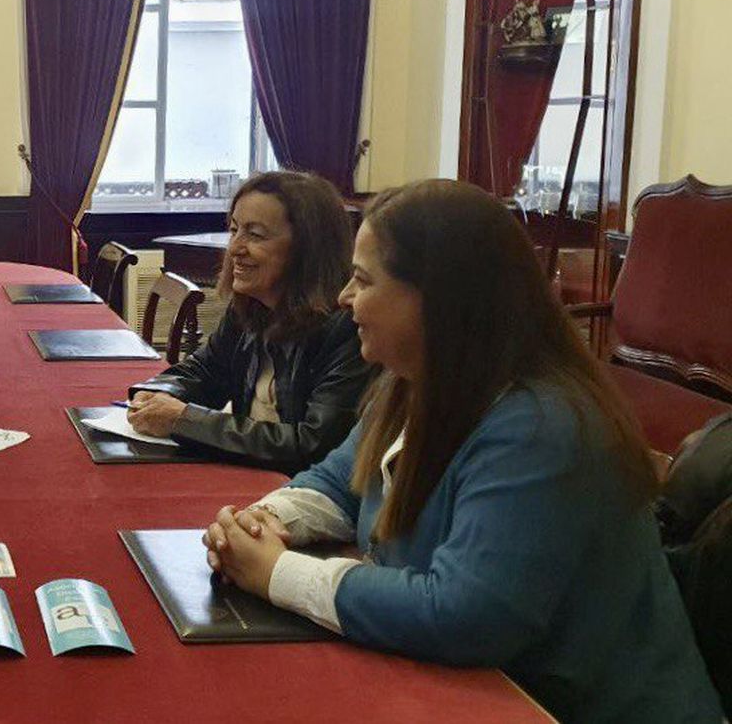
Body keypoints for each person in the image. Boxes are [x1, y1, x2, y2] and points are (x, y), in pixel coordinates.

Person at [201, 179, 721, 722]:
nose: (343, 298)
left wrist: (278, 573)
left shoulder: (540, 424)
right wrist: (259, 524)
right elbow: (339, 483)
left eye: (362, 280)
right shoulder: (412, 382)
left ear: (435, 300)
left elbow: (465, 615)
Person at [125, 171, 372, 472]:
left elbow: (313, 445)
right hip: (249, 476)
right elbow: (205, 370)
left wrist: (183, 420)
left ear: (307, 248)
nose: (235, 248)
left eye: (254, 235)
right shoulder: (249, 307)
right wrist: (157, 395)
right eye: (234, 230)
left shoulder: (349, 327)